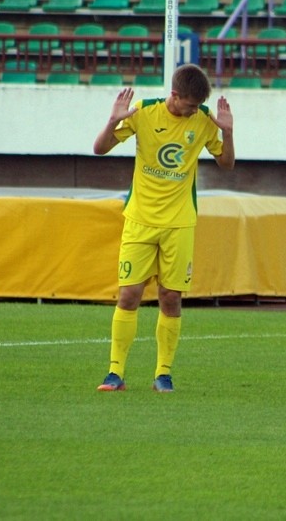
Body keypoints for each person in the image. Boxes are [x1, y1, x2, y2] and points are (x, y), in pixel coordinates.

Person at [92, 64, 235, 392]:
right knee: (129, 294)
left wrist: (228, 131)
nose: (191, 112)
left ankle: (163, 374)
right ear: (174, 95)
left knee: (171, 298)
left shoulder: (202, 120)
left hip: (179, 223)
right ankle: (115, 373)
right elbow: (99, 149)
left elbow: (227, 164)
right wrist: (113, 121)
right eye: (187, 106)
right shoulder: (144, 112)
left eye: (196, 106)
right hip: (140, 220)